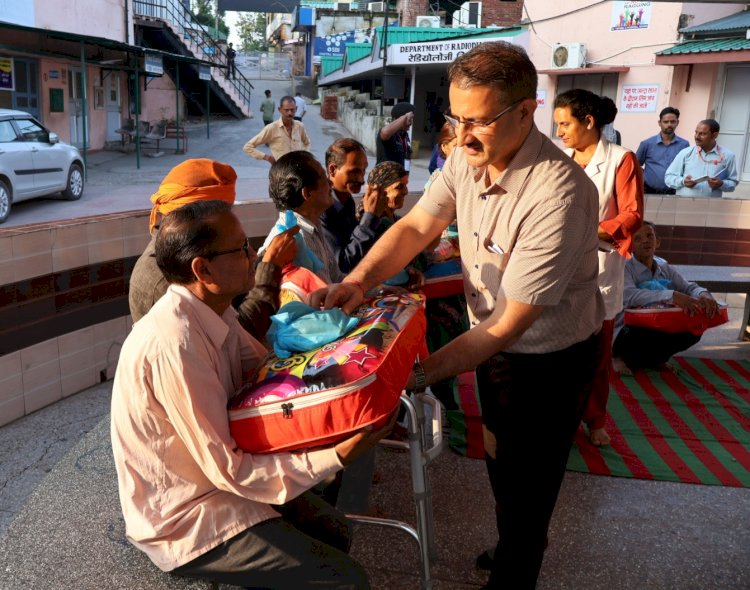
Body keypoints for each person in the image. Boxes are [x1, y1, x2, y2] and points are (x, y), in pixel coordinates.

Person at [312, 41, 605, 589]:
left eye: (480, 121)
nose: (463, 135)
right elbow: (417, 226)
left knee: (532, 478)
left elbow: (508, 324)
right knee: (498, 458)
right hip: (494, 347)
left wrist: (415, 374)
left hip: (549, 361)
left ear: (525, 111)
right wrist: (355, 282)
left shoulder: (560, 195)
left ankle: (518, 569)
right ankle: (515, 541)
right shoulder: (468, 159)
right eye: (455, 118)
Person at [112, 200, 393, 589]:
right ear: (202, 268)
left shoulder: (213, 308)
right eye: (242, 248)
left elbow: (265, 369)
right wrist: (338, 454)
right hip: (187, 513)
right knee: (344, 578)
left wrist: (316, 324)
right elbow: (228, 469)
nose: (254, 255)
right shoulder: (175, 343)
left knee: (336, 532)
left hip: (220, 484)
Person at [553, 89, 644, 448]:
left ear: (589, 122)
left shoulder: (622, 159)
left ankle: (595, 420)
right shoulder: (561, 159)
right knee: (558, 349)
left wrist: (588, 231)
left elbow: (632, 215)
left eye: (565, 124)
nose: (559, 132)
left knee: (596, 353)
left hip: (599, 266)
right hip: (559, 267)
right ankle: (561, 416)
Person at [128, 158, 297, 342]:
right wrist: (269, 269)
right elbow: (236, 338)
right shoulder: (169, 279)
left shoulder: (208, 253)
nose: (251, 253)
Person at [613, 221, 719, 372]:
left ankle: (656, 359)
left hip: (657, 323)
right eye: (637, 238)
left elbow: (688, 287)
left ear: (658, 242)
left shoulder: (664, 267)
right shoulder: (624, 267)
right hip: (627, 328)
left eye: (650, 236)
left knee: (695, 328)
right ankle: (617, 356)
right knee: (636, 331)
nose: (645, 241)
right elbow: (630, 295)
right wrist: (672, 296)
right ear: (630, 246)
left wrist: (704, 295)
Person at [260, 151, 343, 284]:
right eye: (323, 177)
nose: (331, 183)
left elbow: (337, 279)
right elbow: (322, 297)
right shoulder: (295, 240)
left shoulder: (312, 225)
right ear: (308, 193)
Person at [321, 138, 386, 274]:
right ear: (332, 170)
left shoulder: (347, 201)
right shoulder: (321, 208)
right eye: (354, 172)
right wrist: (370, 218)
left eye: (363, 171)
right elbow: (342, 264)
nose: (361, 179)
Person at [665, 118, 739, 197]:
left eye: (702, 134)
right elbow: (669, 177)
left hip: (711, 206)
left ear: (714, 135)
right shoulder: (685, 153)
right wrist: (683, 181)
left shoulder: (728, 156)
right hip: (684, 205)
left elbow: (732, 183)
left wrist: (721, 184)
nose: (697, 137)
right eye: (696, 132)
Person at [635, 106, 690, 194]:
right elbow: (635, 166)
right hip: (649, 191)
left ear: (677, 122)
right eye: (665, 122)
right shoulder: (646, 144)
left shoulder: (684, 145)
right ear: (659, 123)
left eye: (672, 122)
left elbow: (686, 167)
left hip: (674, 192)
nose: (669, 124)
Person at [243, 96, 311, 166]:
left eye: (292, 110)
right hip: (280, 172)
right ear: (280, 109)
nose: (290, 113)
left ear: (296, 109)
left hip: (298, 170)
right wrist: (268, 158)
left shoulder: (300, 126)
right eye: (286, 110)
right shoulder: (271, 128)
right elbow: (248, 147)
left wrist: (304, 156)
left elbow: (307, 143)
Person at [376, 101, 414, 170]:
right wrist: (405, 117)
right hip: (386, 179)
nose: (411, 122)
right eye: (409, 119)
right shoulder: (389, 134)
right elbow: (385, 133)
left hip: (400, 177)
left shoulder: (405, 136)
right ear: (397, 119)